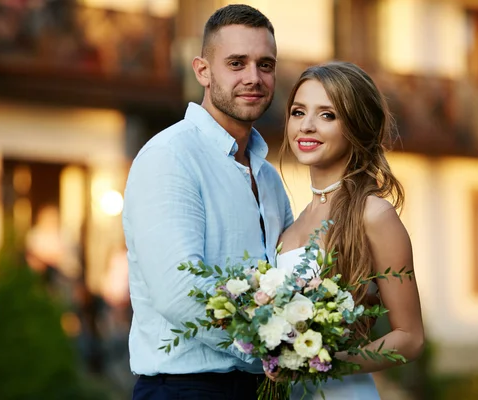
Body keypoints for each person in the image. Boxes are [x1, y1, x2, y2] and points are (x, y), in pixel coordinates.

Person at [122, 4, 293, 400]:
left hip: (264, 388)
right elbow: (179, 293)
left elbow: (288, 278)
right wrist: (275, 345)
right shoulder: (170, 156)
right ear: (202, 70)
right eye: (237, 63)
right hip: (186, 389)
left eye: (265, 65)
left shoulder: (269, 179)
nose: (253, 77)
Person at [273, 61, 425, 399]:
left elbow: (410, 337)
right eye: (298, 112)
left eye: (327, 115)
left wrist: (331, 361)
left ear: (356, 126)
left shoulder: (374, 213)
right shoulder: (295, 222)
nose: (307, 126)